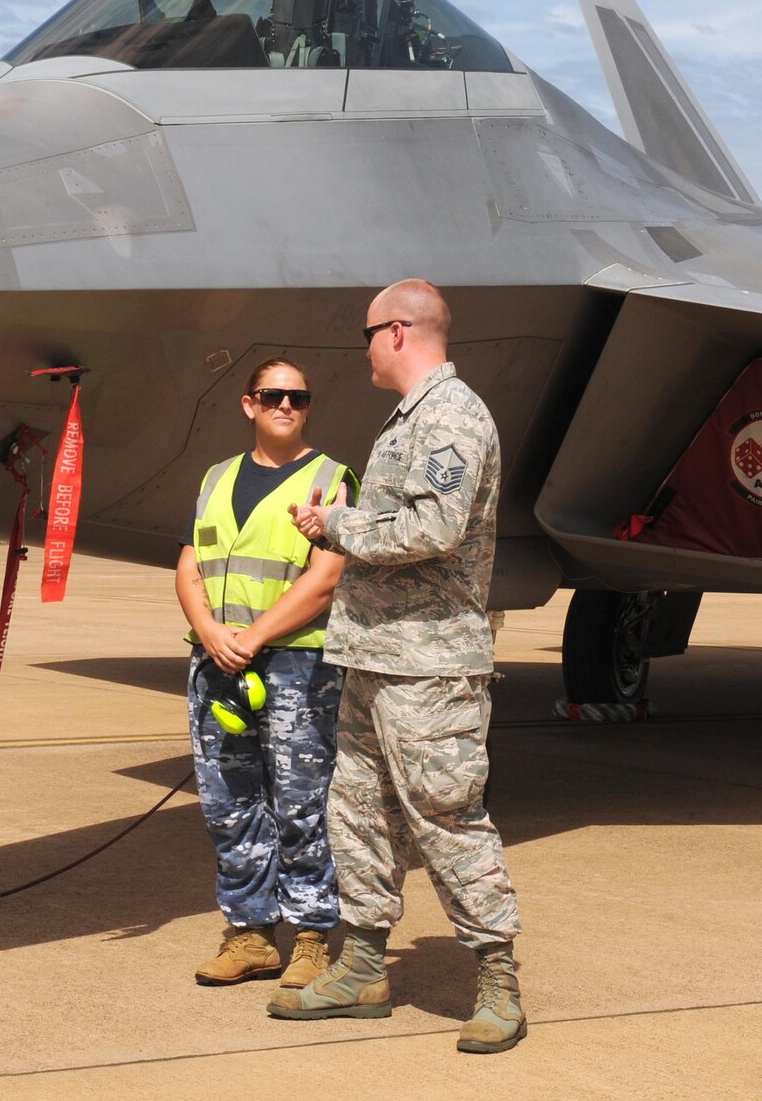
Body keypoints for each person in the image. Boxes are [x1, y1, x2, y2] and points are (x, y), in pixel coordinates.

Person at [268, 279, 526, 1054]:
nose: (365, 348)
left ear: (400, 331)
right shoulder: (409, 420)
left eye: (369, 333)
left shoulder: (451, 416)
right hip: (377, 654)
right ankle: (364, 966)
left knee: (445, 813)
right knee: (359, 812)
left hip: (429, 665)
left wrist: (337, 524)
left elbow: (435, 525)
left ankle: (498, 979)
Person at [174, 358, 360, 990]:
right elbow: (188, 564)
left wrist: (250, 638)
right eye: (274, 396)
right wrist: (209, 634)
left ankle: (311, 938)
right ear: (248, 404)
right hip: (219, 663)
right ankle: (251, 935)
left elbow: (326, 578)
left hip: (295, 666)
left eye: (299, 397)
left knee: (302, 802)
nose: (287, 405)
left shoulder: (330, 479)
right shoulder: (216, 477)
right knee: (230, 804)